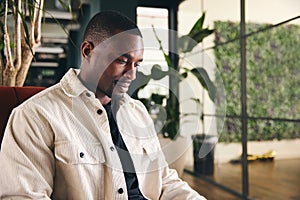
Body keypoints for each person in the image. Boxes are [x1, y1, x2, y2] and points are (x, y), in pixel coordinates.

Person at [0, 10, 206, 200]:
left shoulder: (137, 112)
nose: (132, 75)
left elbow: (165, 182)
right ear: (88, 51)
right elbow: (24, 196)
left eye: (137, 64)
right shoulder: (35, 116)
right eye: (122, 60)